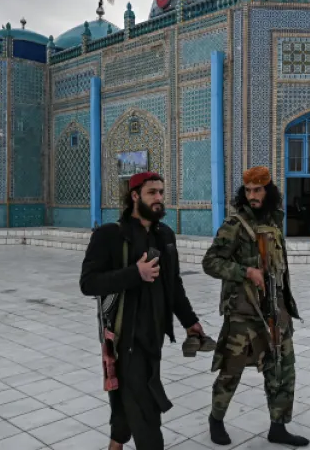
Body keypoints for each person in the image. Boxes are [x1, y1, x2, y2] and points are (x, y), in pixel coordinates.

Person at [80, 171, 211, 450]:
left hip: (154, 337)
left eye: (162, 192)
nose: (159, 199)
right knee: (146, 408)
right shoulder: (110, 235)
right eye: (152, 193)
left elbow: (173, 285)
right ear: (135, 195)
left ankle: (115, 445)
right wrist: (134, 273)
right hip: (125, 339)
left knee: (128, 397)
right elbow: (88, 283)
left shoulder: (165, 235)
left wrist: (190, 323)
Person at [202, 166, 309, 447]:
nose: (253, 196)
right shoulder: (235, 224)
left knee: (283, 370)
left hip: (276, 309)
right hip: (243, 312)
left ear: (268, 191)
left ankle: (278, 426)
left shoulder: (274, 221)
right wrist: (245, 272)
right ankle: (216, 419)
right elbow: (210, 262)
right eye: (248, 191)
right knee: (231, 370)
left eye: (258, 190)